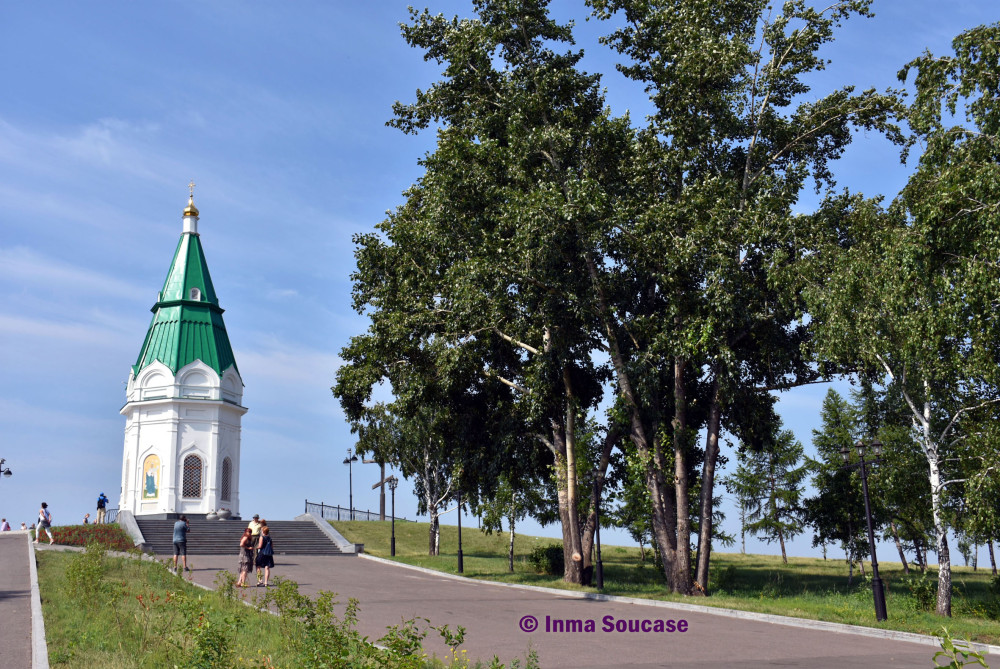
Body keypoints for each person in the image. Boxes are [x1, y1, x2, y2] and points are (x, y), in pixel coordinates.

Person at [247, 514, 262, 583]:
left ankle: (255, 560)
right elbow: (249, 529)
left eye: (256, 518)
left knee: (256, 549)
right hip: (252, 536)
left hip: (257, 536)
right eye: (254, 518)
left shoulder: (260, 524)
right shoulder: (250, 523)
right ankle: (250, 558)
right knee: (250, 548)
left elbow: (262, 530)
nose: (255, 519)